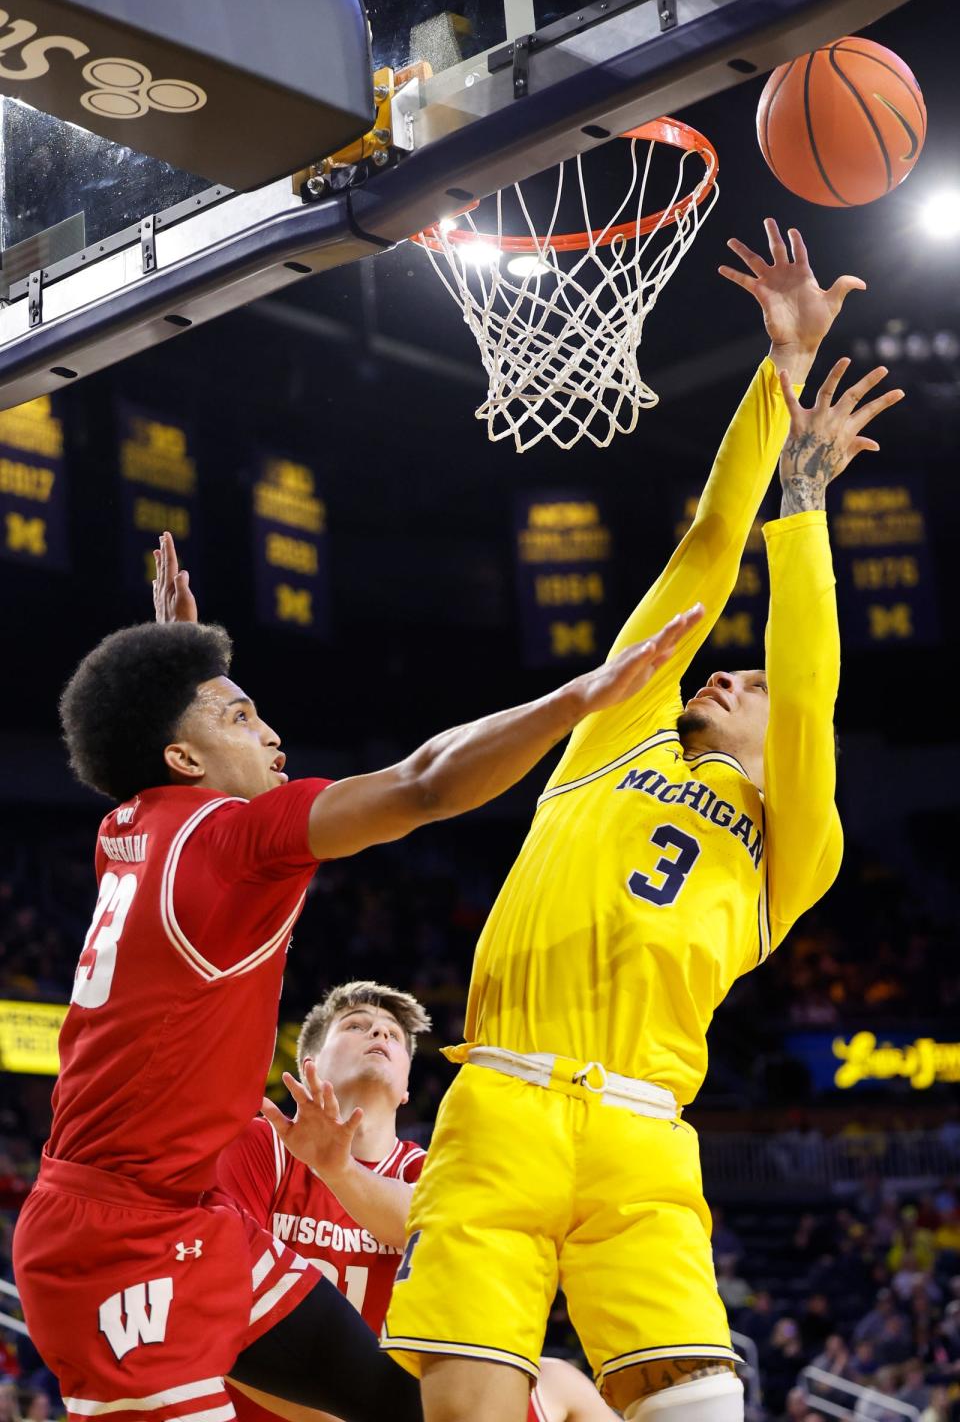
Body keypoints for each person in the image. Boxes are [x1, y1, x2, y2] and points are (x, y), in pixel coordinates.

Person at [382, 219, 905, 1422]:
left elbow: (809, 675)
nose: (727, 676)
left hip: (643, 1134)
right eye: (723, 673)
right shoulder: (614, 737)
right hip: (500, 1104)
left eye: (747, 683)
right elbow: (709, 551)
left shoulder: (793, 849)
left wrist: (813, 498)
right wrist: (777, 382)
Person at [13, 542, 702, 1422]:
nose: (271, 736)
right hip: (113, 1251)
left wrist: (174, 662)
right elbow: (422, 785)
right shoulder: (237, 839)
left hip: (187, 1224)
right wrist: (579, 699)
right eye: (241, 717)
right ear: (184, 760)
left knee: (404, 1408)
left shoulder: (129, 821)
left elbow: (154, 734)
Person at [217, 981, 615, 1422]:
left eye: (393, 1035)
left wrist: (340, 1171)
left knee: (562, 1382)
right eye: (356, 1026)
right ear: (311, 1063)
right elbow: (213, 1294)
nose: (380, 1035)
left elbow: (426, 1220)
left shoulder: (432, 1172)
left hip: (396, 1405)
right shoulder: (265, 1145)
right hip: (290, 1406)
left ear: (406, 1086)